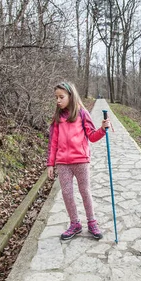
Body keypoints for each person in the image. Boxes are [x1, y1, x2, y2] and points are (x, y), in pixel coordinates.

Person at [47, 81, 111, 240]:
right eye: (56, 97)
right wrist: (50, 163)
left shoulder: (82, 113)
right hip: (63, 163)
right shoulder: (57, 118)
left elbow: (92, 136)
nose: (58, 100)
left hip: (81, 160)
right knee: (67, 193)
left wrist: (102, 129)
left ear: (71, 96)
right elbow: (53, 142)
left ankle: (92, 222)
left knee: (85, 191)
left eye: (61, 97)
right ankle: (75, 223)